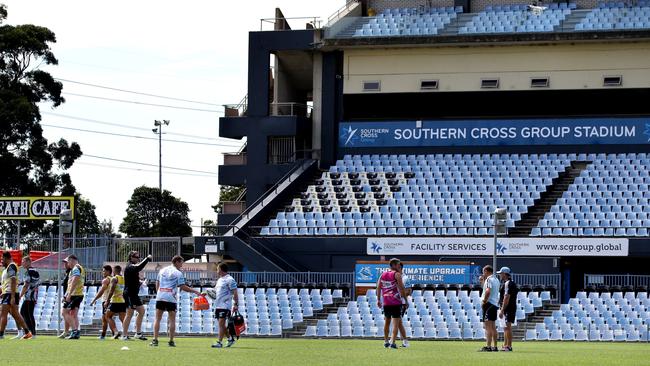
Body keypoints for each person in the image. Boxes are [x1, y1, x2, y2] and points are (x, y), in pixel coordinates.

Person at [150, 255, 201, 347]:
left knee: (157, 319)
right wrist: (195, 291)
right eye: (181, 262)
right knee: (172, 320)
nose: (182, 265)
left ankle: (155, 340)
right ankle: (171, 341)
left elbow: (157, 282)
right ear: (177, 262)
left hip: (160, 296)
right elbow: (182, 286)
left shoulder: (162, 270)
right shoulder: (178, 273)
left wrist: (159, 292)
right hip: (171, 298)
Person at [376, 258, 408, 349]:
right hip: (395, 302)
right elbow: (401, 289)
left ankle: (386, 341)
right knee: (395, 324)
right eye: (398, 265)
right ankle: (393, 343)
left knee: (387, 322)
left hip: (386, 302)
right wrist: (405, 300)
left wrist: (378, 299)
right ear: (393, 265)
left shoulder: (383, 274)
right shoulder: (397, 274)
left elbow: (378, 287)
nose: (399, 266)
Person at [0, 251, 33, 339]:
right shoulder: (8, 268)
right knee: (15, 314)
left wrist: (13, 296)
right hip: (9, 293)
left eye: (2, 259)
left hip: (10, 293)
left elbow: (13, 280)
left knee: (3, 313)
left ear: (6, 258)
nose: (1, 261)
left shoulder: (11, 266)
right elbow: (6, 282)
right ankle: (27, 332)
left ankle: (1, 334)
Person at [122, 251, 152, 341]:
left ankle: (138, 333)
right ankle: (124, 335)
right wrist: (147, 259)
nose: (138, 259)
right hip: (130, 294)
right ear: (131, 257)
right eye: (136, 257)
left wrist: (141, 283)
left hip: (134, 294)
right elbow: (139, 267)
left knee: (142, 311)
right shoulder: (130, 266)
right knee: (129, 314)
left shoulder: (132, 267)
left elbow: (132, 280)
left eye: (139, 257)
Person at [211, 262, 239, 349]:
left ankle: (219, 342)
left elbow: (235, 292)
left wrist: (236, 304)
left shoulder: (230, 279)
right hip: (218, 305)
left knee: (221, 324)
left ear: (221, 269)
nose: (217, 271)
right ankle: (230, 338)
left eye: (217, 269)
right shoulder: (219, 280)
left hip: (225, 305)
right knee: (222, 325)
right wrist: (205, 293)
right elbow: (215, 291)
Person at [62, 255, 85, 340]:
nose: (67, 264)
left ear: (71, 261)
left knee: (64, 312)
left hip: (74, 295)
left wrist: (69, 294)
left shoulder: (75, 268)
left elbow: (75, 279)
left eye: (68, 262)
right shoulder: (79, 268)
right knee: (74, 314)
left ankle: (74, 331)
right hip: (78, 294)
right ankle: (76, 332)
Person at [479, 265, 501, 352]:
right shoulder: (496, 279)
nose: (483, 273)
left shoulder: (489, 279)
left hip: (488, 304)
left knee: (487, 327)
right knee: (493, 327)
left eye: (484, 271)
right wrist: (482, 281)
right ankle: (495, 346)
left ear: (487, 271)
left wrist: (484, 301)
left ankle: (488, 346)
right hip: (494, 304)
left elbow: (488, 291)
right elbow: (487, 289)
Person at [19, 256, 40, 339]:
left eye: (23, 262)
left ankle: (32, 333)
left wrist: (20, 295)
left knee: (25, 314)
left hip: (29, 296)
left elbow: (26, 285)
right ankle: (30, 333)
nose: (22, 263)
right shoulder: (35, 271)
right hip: (33, 296)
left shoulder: (28, 272)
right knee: (26, 314)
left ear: (28, 262)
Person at [498, 267, 518, 352]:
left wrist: (502, 310)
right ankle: (506, 345)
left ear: (505, 274)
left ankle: (508, 346)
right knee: (506, 327)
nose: (500, 275)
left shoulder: (507, 284)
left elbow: (506, 297)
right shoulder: (511, 283)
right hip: (510, 307)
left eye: (501, 273)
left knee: (507, 327)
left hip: (508, 308)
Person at [90, 265, 113, 339]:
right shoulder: (113, 279)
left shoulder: (106, 280)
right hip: (113, 300)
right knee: (108, 318)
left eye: (104, 271)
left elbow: (102, 291)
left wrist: (94, 300)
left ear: (108, 271)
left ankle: (109, 334)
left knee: (105, 319)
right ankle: (112, 334)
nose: (102, 272)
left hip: (106, 301)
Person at [105, 265, 127, 339]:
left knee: (108, 316)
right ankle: (125, 334)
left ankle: (116, 332)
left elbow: (111, 290)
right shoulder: (124, 278)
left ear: (114, 271)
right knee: (123, 319)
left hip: (115, 301)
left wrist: (107, 301)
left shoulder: (114, 278)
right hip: (123, 301)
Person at [396, 262, 412, 348]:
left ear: (400, 268)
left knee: (398, 322)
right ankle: (404, 341)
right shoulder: (394, 277)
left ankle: (404, 341)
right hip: (394, 302)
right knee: (398, 322)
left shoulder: (405, 278)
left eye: (396, 267)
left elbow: (409, 291)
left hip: (401, 303)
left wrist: (399, 296)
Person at [58, 259, 72, 339]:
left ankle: (74, 330)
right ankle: (66, 331)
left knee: (65, 312)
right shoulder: (67, 273)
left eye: (66, 263)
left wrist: (66, 295)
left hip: (69, 296)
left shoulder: (71, 272)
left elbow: (70, 285)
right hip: (67, 296)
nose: (65, 265)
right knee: (66, 314)